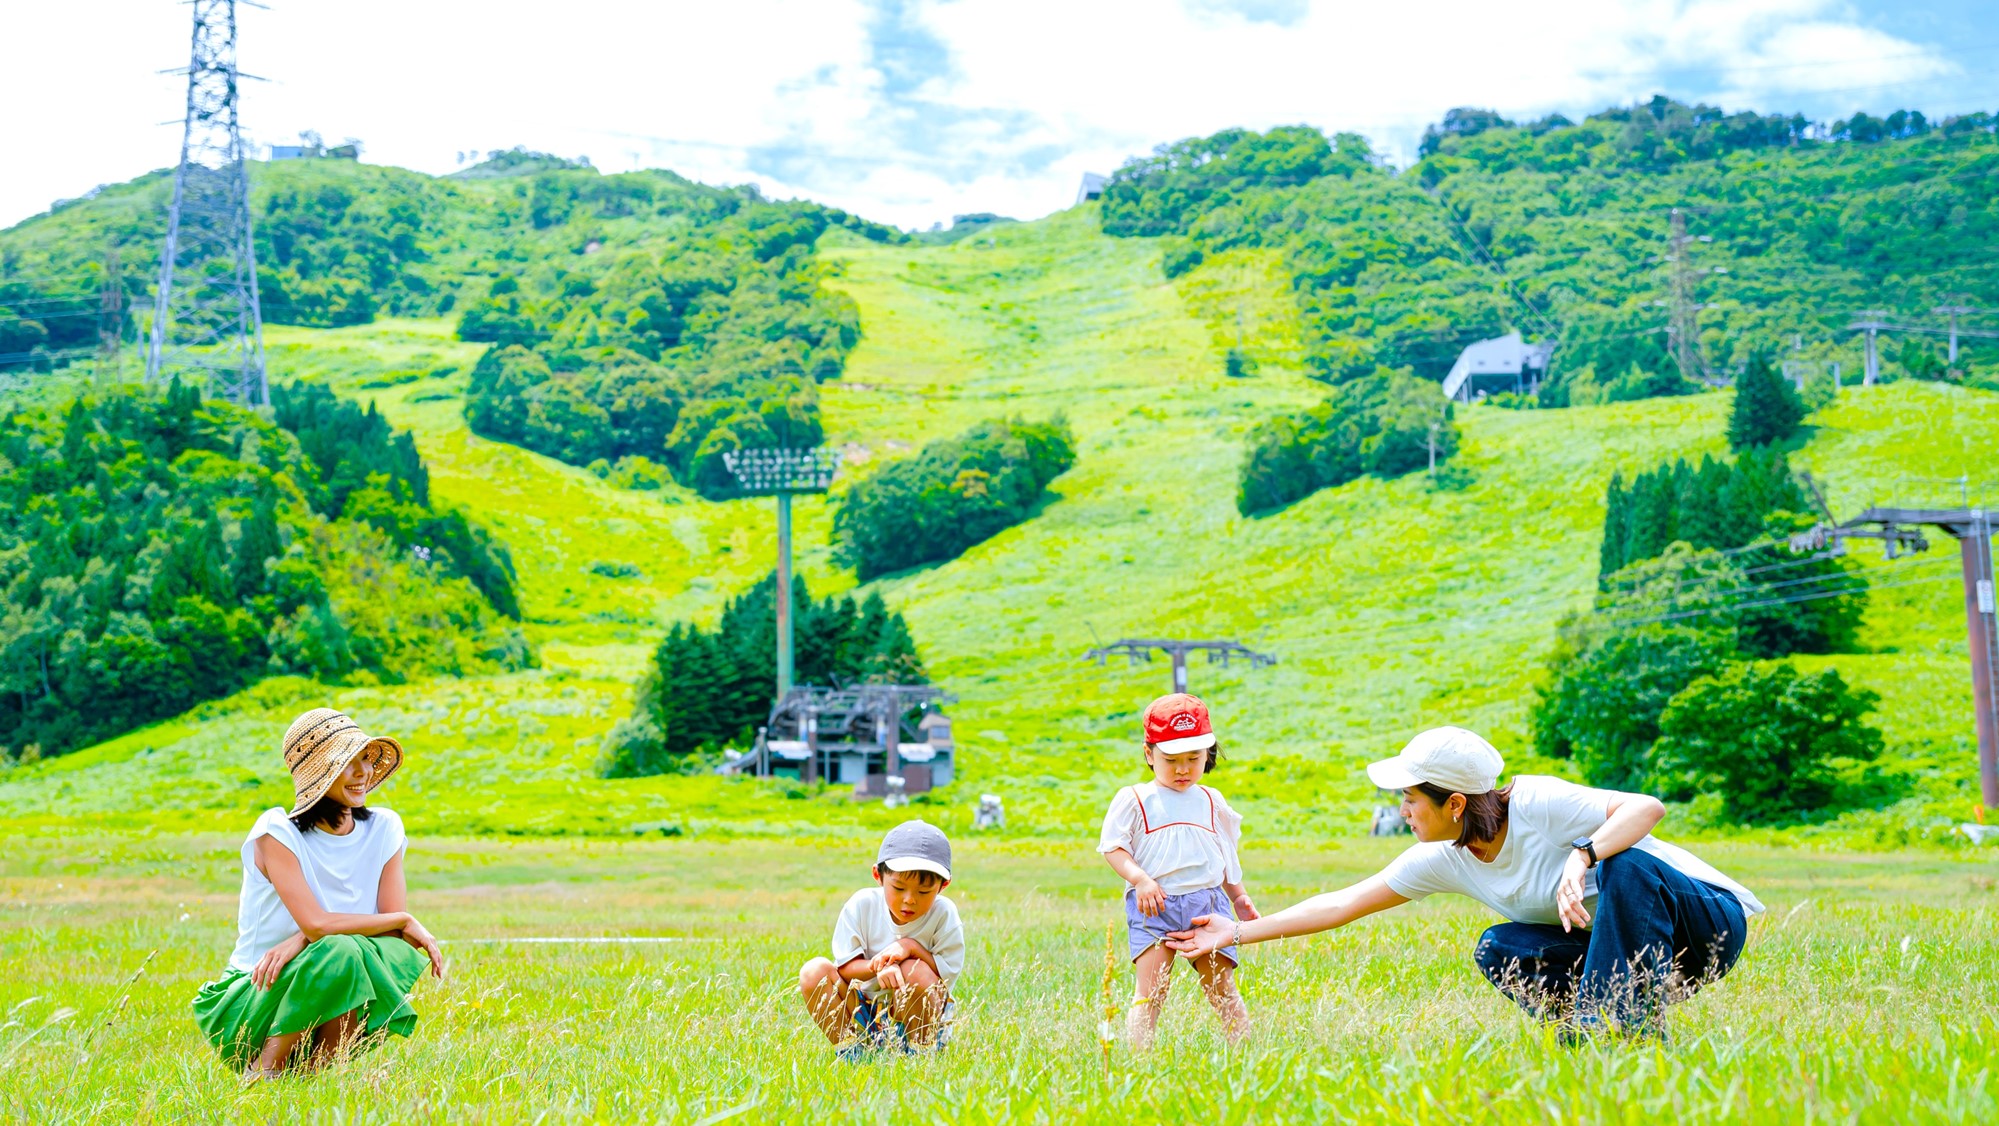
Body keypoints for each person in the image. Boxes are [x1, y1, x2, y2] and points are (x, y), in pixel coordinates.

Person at [1169, 726, 1762, 1039]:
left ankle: (1603, 1029)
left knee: (1623, 864)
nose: (1403, 811)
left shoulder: (1538, 802)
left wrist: (1583, 856)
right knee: (1499, 947)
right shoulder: (1444, 855)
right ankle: (1615, 1027)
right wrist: (1237, 933)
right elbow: (1344, 902)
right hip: (1633, 950)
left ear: (1454, 802)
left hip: (1703, 923)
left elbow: (1646, 808)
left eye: (1409, 798)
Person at [192, 708, 446, 1080]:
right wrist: (404, 919)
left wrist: (301, 940)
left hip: (326, 983)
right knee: (340, 950)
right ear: (318, 771)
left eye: (365, 759)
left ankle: (311, 1078)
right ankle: (264, 1074)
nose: (363, 773)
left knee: (376, 950)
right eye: (348, 762)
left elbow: (388, 935)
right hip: (252, 997)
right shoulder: (275, 831)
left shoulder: (384, 828)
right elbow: (323, 924)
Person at [1098, 693, 1258, 1047]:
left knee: (1222, 990)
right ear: (1148, 754)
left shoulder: (1212, 800)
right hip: (1154, 906)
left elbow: (1225, 855)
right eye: (1171, 760)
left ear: (1208, 753)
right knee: (1150, 992)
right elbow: (1114, 847)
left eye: (1194, 758)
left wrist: (1240, 895)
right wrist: (1140, 879)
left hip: (1207, 906)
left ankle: (1245, 1054)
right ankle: (1140, 1060)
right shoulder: (1135, 798)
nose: (1183, 769)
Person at [798, 819, 965, 1060]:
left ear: (943, 886)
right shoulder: (862, 905)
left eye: (923, 892)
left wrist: (910, 948)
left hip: (920, 1015)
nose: (909, 900)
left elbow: (945, 976)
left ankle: (919, 1054)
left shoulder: (944, 914)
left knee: (913, 969)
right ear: (878, 875)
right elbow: (844, 969)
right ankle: (853, 1052)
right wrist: (879, 967)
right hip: (862, 1009)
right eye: (898, 888)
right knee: (813, 972)